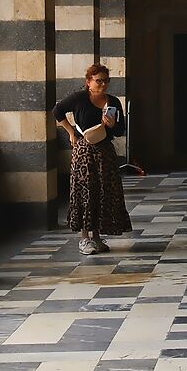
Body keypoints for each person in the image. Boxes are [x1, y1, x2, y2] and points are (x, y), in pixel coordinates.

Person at [53, 63, 132, 255]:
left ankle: (96, 236)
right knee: (85, 191)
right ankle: (84, 238)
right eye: (99, 81)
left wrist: (112, 125)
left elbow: (120, 130)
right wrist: (71, 132)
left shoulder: (113, 102)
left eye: (106, 81)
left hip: (105, 151)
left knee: (104, 191)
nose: (103, 84)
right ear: (89, 81)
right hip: (84, 151)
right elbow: (57, 111)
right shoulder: (79, 98)